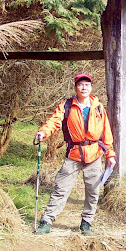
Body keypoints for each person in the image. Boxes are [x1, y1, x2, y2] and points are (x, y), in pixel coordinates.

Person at [34, 73, 116, 236]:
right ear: (75, 87)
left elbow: (106, 132)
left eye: (87, 84)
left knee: (93, 191)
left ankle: (86, 223)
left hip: (94, 154)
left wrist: (110, 154)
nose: (84, 87)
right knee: (61, 189)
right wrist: (43, 132)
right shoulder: (66, 105)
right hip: (74, 154)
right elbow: (54, 121)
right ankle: (47, 221)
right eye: (80, 85)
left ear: (91, 87)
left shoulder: (98, 107)